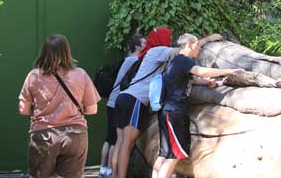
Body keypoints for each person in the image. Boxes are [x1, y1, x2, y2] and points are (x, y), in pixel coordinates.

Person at [114, 28, 224, 178]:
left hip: (124, 98)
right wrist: (208, 39)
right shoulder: (159, 51)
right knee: (127, 144)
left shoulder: (153, 55)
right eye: (168, 36)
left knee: (121, 143)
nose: (170, 39)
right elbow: (184, 49)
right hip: (135, 99)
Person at [152, 33, 240, 178]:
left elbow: (189, 79)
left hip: (166, 112)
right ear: (189, 45)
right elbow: (202, 71)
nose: (199, 49)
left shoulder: (174, 61)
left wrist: (206, 83)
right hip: (175, 112)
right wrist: (229, 71)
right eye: (197, 46)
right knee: (174, 156)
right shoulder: (183, 60)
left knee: (164, 154)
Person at [18, 34, 101, 178]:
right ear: (67, 52)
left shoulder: (34, 76)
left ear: (44, 52)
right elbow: (92, 110)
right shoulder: (81, 74)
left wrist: (41, 108)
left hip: (44, 136)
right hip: (75, 135)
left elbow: (23, 110)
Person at [99, 34, 146, 177]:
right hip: (118, 100)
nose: (146, 45)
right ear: (137, 46)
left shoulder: (127, 59)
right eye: (144, 43)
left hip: (113, 101)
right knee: (117, 140)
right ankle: (111, 171)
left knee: (110, 137)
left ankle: (103, 169)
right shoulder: (134, 60)